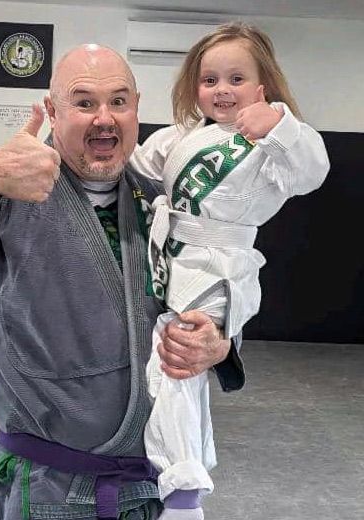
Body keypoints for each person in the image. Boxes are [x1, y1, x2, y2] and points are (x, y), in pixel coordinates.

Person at [0, 44, 244, 520]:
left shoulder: (162, 196)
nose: (105, 118)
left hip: (155, 486)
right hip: (51, 491)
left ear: (137, 107)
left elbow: (216, 285)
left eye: (119, 102)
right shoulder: (10, 191)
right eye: (84, 103)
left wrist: (221, 343)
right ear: (53, 112)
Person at [129, 22, 330, 520]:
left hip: (221, 267)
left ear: (263, 85)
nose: (222, 90)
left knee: (177, 356)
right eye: (210, 79)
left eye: (236, 78)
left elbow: (313, 171)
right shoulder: (182, 135)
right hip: (169, 258)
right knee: (174, 369)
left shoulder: (274, 141)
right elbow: (131, 167)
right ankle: (193, 460)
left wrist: (278, 126)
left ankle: (182, 489)